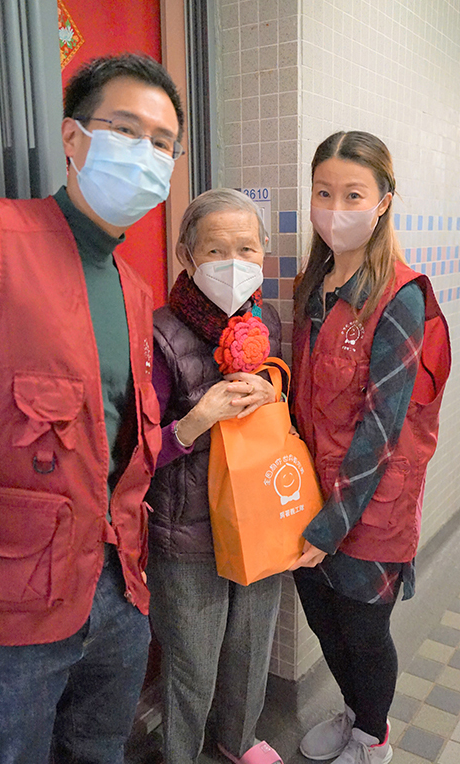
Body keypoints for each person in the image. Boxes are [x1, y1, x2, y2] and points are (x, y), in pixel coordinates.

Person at [0, 53, 184, 764]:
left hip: (116, 592)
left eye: (163, 143)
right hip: (4, 606)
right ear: (73, 137)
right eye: (126, 129)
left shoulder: (135, 291)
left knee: (97, 750)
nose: (146, 153)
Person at [290, 131, 450, 764]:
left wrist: (333, 523)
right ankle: (356, 714)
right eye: (324, 192)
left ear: (383, 201)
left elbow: (382, 429)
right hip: (310, 495)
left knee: (362, 631)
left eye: (353, 195)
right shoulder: (313, 285)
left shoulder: (400, 295)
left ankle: (374, 738)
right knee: (322, 619)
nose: (336, 208)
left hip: (373, 504)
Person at [146, 188, 284, 764]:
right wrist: (196, 420)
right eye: (216, 250)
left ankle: (239, 740)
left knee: (251, 648)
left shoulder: (267, 321)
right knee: (191, 664)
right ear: (187, 254)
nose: (234, 262)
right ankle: (180, 753)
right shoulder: (158, 334)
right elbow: (135, 452)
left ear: (264, 253)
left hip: (258, 517)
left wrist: (272, 391)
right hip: (187, 532)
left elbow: (284, 414)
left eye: (247, 248)